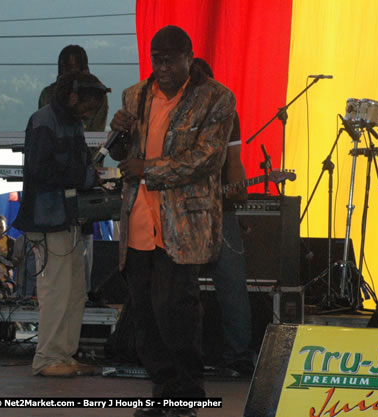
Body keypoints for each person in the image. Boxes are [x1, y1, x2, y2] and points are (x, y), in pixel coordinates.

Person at [109, 26, 235, 417]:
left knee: (176, 314)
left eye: (169, 59)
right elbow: (120, 155)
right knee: (144, 316)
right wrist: (118, 134)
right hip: (138, 223)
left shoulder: (215, 97)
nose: (160, 67)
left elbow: (206, 158)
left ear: (188, 57)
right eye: (155, 59)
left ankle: (188, 396)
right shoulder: (135, 95)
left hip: (182, 226)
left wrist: (147, 170)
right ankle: (164, 394)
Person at [14, 71, 109, 377]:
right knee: (56, 289)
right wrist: (83, 176)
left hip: (67, 217)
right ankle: (47, 358)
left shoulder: (70, 122)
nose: (90, 113)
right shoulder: (43, 121)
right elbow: (40, 170)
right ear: (72, 96)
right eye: (88, 106)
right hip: (47, 217)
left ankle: (64, 354)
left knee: (75, 290)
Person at [193, 58, 256, 377]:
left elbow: (235, 161)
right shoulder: (178, 113)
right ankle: (187, 352)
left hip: (220, 209)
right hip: (185, 210)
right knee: (183, 285)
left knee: (231, 283)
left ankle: (239, 354)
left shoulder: (227, 112)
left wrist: (238, 194)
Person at [38, 44, 109, 293]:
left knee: (85, 232)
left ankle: (84, 291)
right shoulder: (48, 94)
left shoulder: (96, 94)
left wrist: (85, 170)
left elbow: (94, 135)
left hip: (85, 174)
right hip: (58, 185)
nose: (72, 71)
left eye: (77, 66)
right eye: (67, 67)